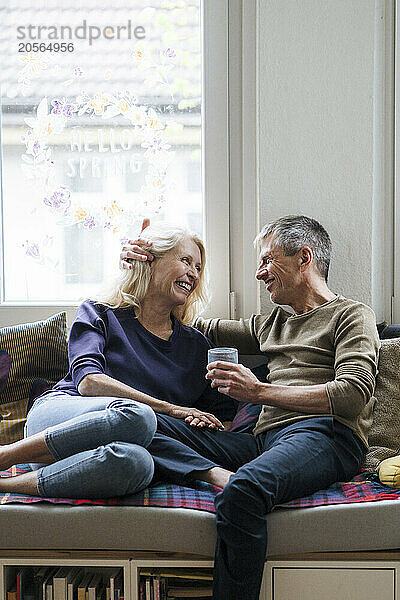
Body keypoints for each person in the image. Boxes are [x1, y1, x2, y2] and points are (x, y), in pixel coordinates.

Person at [120, 214, 380, 600]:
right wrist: (141, 267)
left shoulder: (352, 315)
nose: (259, 273)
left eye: (267, 260)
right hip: (263, 441)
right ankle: (211, 472)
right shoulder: (271, 324)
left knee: (241, 492)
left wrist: (258, 393)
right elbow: (193, 326)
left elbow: (351, 394)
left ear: (304, 258)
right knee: (139, 424)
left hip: (327, 436)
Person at [0, 223, 235, 499]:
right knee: (139, 416)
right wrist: (172, 410)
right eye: (185, 261)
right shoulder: (100, 313)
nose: (193, 274)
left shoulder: (196, 346)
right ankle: (6, 455)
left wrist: (205, 424)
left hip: (104, 454)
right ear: (150, 260)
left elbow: (224, 421)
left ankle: (6, 485)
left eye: (198, 267)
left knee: (138, 464)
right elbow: (89, 383)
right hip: (55, 422)